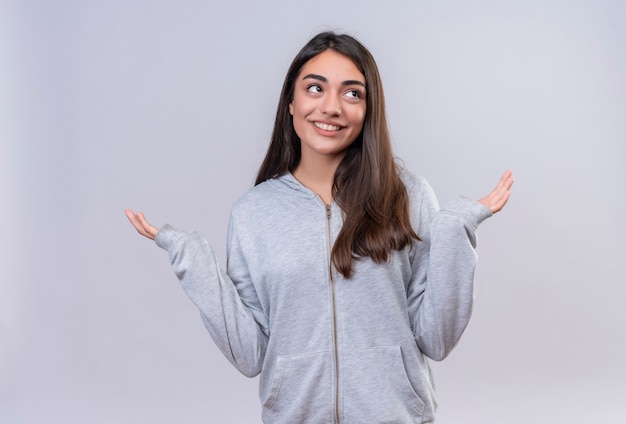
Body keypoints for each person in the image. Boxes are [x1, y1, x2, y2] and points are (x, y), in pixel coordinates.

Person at [125, 31, 513, 424]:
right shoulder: (253, 213)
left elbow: (437, 339)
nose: (331, 107)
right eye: (315, 88)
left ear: (368, 110)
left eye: (352, 93)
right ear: (291, 103)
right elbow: (250, 355)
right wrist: (192, 259)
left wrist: (454, 231)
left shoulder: (407, 195)